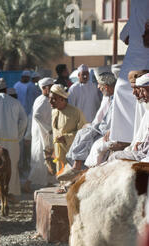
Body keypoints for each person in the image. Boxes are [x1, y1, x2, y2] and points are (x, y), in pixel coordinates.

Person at [59, 72, 116, 181]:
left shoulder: (115, 99)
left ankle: (77, 167)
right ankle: (75, 168)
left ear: (106, 87)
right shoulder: (108, 97)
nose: (98, 87)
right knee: (83, 132)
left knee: (86, 134)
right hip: (100, 126)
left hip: (107, 130)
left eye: (100, 85)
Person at [109, 0, 149, 145]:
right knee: (121, 89)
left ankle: (139, 138)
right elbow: (124, 36)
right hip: (135, 52)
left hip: (144, 54)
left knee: (142, 92)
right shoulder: (136, 5)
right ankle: (124, 138)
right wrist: (136, 36)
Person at [49, 84, 86, 192]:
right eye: (50, 99)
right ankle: (62, 186)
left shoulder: (76, 112)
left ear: (62, 99)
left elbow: (84, 133)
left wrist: (66, 138)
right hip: (58, 151)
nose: (50, 102)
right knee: (60, 171)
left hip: (71, 151)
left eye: (53, 99)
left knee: (71, 174)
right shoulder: (54, 111)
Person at [23, 78, 56, 192]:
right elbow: (36, 116)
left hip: (46, 134)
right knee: (41, 161)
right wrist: (48, 129)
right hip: (43, 135)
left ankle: (50, 182)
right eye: (51, 86)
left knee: (49, 160)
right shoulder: (42, 100)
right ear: (45, 88)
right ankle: (28, 183)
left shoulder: (45, 99)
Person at [108, 73, 149, 162]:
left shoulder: (145, 105)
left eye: (142, 90)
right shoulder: (145, 106)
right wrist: (140, 145)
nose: (140, 95)